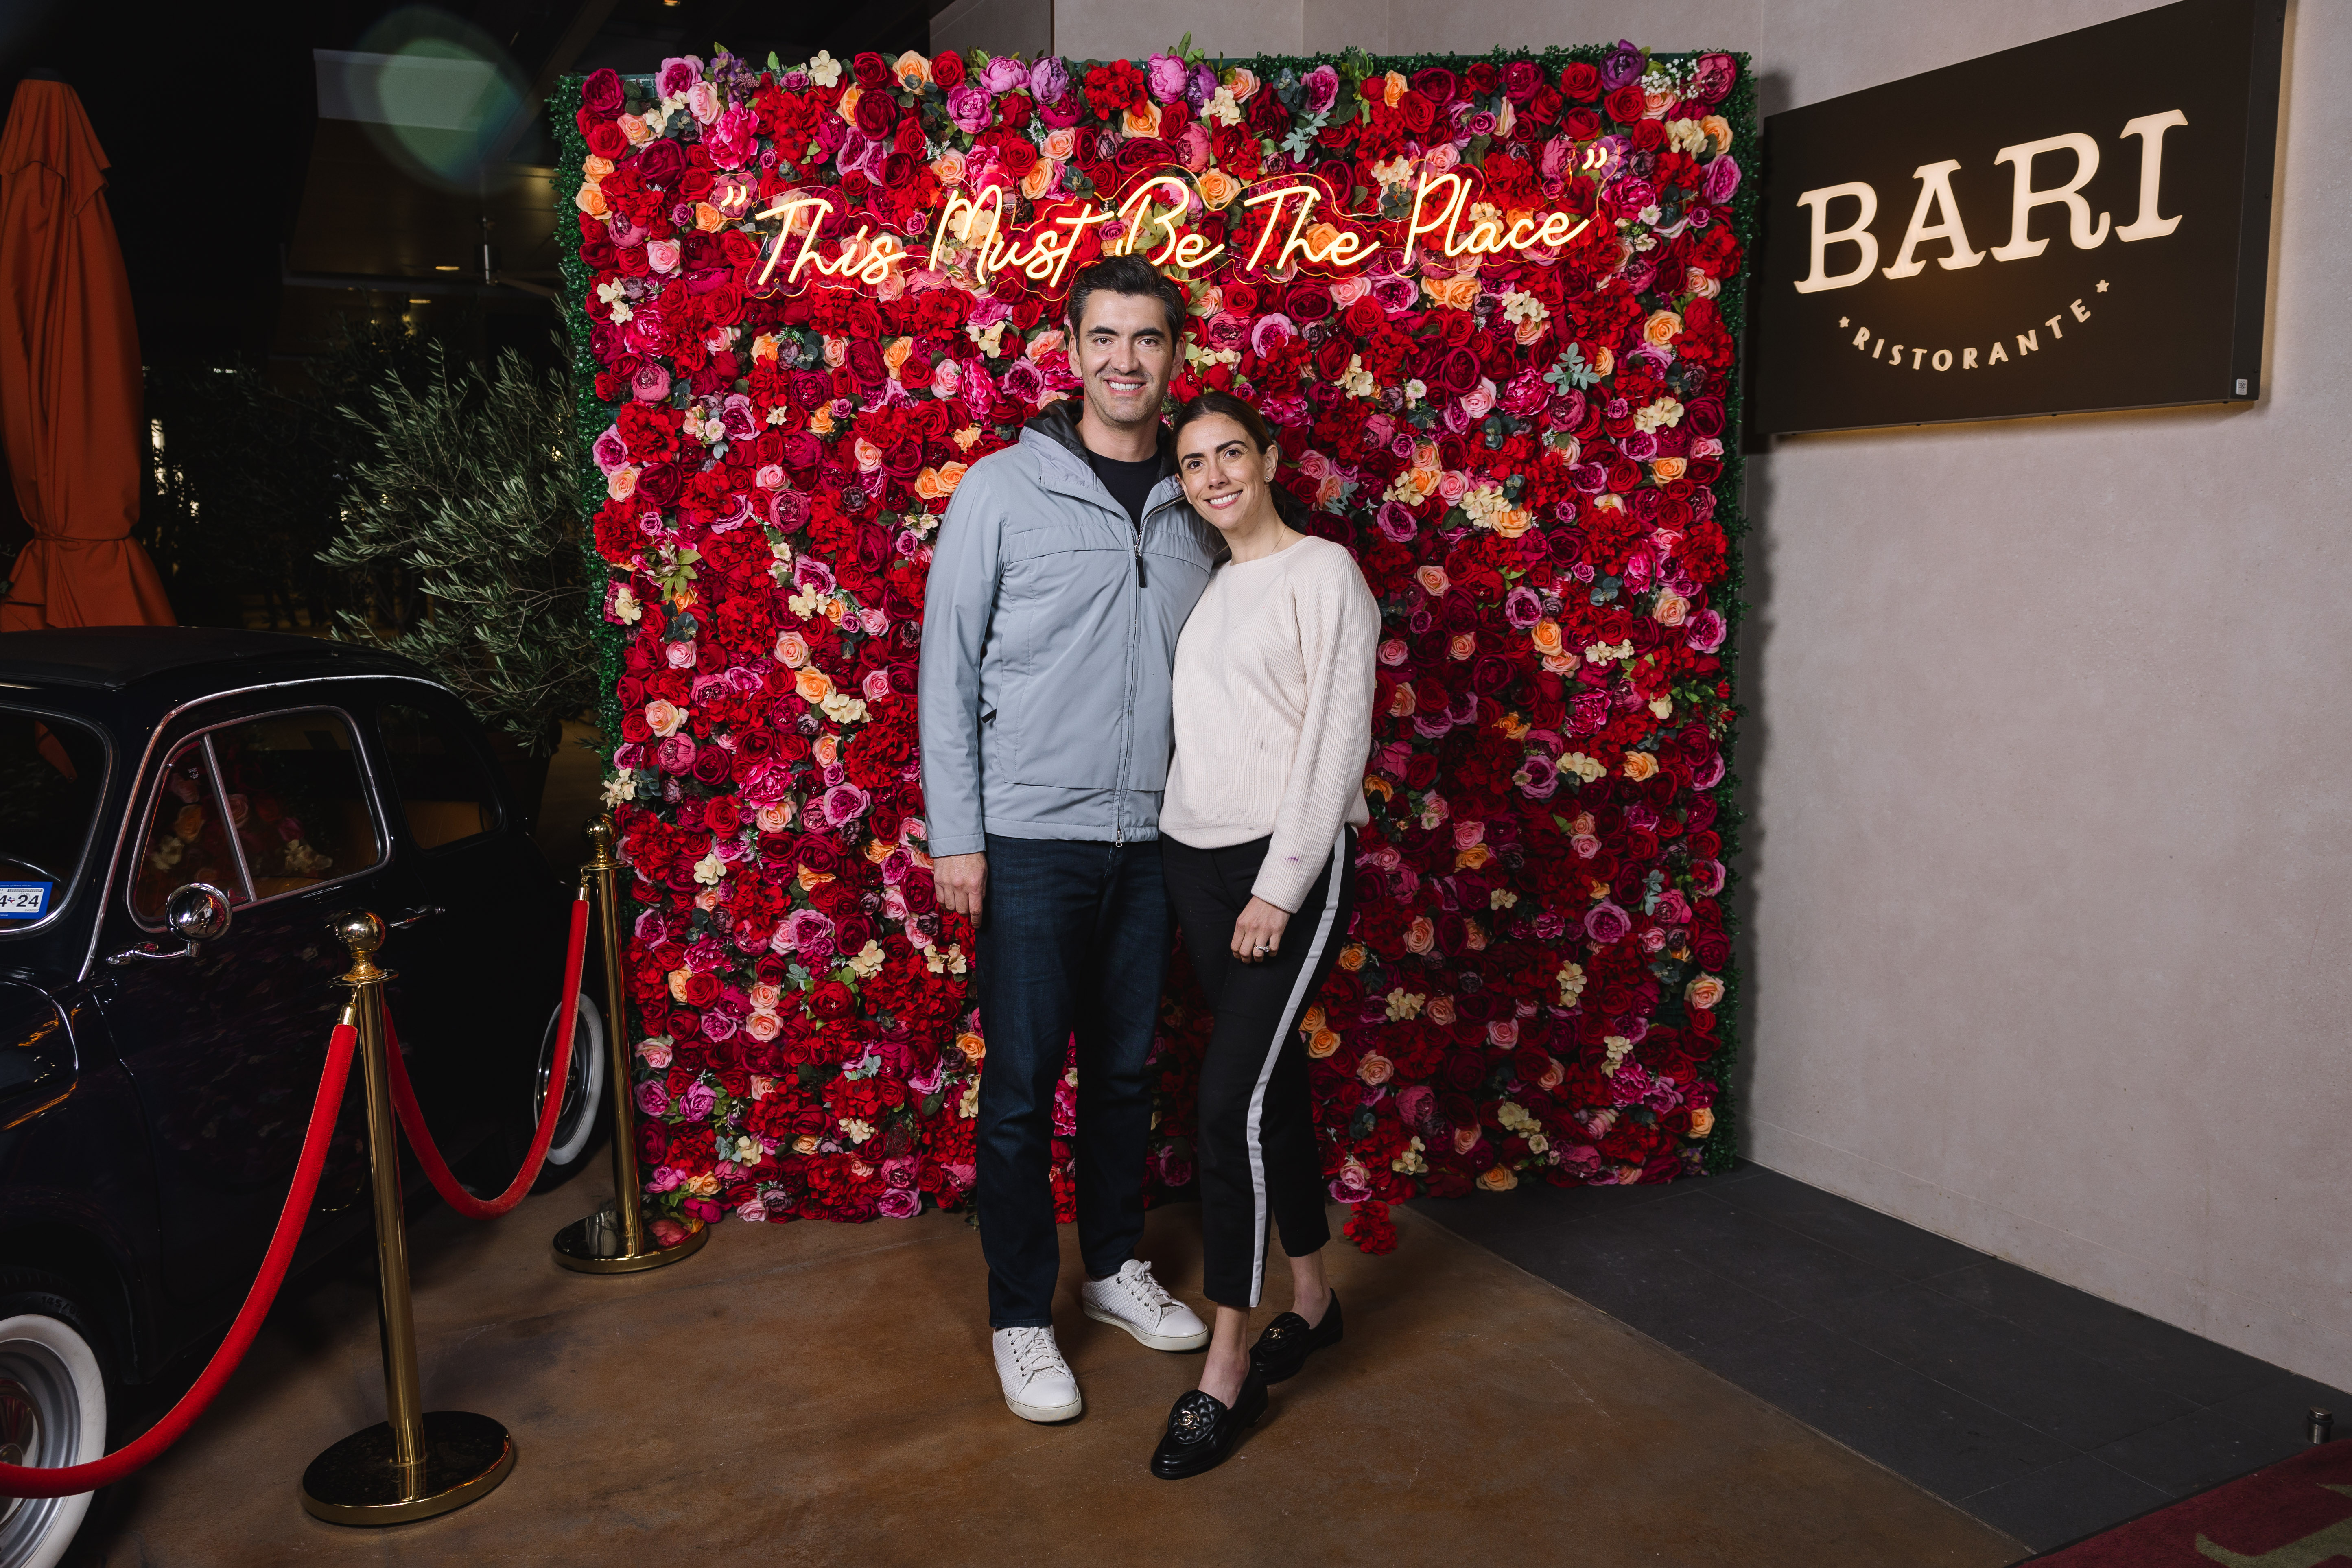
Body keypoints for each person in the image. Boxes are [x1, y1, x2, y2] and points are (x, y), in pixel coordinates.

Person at [918, 256, 1224, 1424]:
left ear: (1173, 354)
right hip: (1031, 839)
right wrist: (960, 837)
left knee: (1127, 1075)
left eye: (1147, 339)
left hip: (1156, 843)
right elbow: (946, 673)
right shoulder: (1002, 490)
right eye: (1105, 337)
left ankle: (1112, 1268)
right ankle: (1019, 1318)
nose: (1125, 361)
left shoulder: (1199, 498)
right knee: (1020, 1088)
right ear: (1072, 348)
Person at [1148, 391, 1380, 1478]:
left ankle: (1225, 1369)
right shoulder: (1209, 588)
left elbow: (1334, 742)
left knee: (1224, 1105)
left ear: (1270, 459)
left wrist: (1279, 889)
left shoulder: (1323, 572)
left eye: (1230, 453)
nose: (1214, 477)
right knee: (1269, 1090)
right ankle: (1313, 1300)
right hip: (1193, 863)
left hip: (1280, 870)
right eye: (1194, 463)